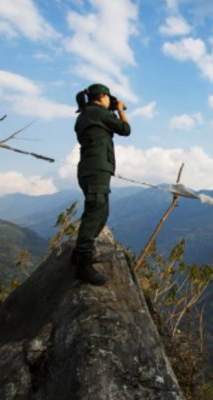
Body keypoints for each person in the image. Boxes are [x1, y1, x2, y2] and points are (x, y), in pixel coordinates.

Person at [71, 83, 131, 285]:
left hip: (91, 169)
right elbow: (125, 129)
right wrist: (120, 110)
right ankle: (82, 264)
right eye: (109, 98)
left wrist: (111, 109)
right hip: (96, 169)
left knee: (99, 212)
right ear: (102, 96)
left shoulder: (86, 115)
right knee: (96, 212)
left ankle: (80, 255)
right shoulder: (97, 113)